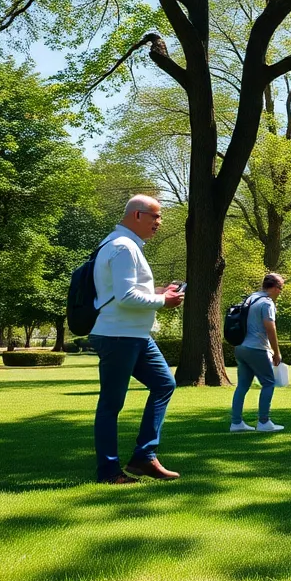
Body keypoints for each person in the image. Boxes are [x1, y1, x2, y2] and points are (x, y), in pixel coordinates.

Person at [89, 195, 184, 484]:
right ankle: (108, 471)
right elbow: (125, 296)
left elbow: (125, 290)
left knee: (164, 384)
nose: (159, 222)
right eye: (155, 216)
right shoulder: (123, 247)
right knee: (111, 404)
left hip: (134, 334)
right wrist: (162, 301)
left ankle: (144, 456)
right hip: (119, 335)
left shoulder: (123, 245)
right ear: (137, 215)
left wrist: (157, 291)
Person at [229, 273, 286, 433]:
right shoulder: (267, 303)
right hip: (257, 348)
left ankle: (236, 422)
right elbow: (270, 328)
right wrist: (276, 352)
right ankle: (263, 422)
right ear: (274, 288)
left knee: (242, 385)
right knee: (268, 382)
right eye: (280, 288)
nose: (280, 292)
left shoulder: (251, 298)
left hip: (240, 346)